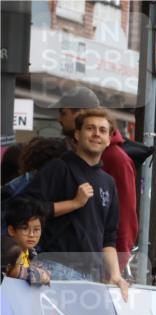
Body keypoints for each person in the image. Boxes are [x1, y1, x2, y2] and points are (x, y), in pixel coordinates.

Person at [21, 108, 129, 299]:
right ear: (77, 135)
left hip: (92, 278)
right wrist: (74, 203)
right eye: (90, 128)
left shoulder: (108, 182)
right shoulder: (58, 168)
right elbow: (26, 208)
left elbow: (109, 238)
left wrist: (115, 276)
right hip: (55, 268)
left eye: (103, 130)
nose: (97, 134)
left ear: (109, 139)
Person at [56, 86, 138, 268]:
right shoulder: (66, 161)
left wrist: (116, 267)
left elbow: (123, 217)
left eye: (63, 113)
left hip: (96, 268)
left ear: (81, 114)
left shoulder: (116, 159)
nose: (59, 119)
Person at [4, 197, 50, 285]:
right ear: (11, 230)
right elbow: (14, 272)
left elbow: (46, 276)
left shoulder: (32, 254)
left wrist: (43, 275)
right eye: (25, 228)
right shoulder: (6, 250)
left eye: (36, 230)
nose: (31, 235)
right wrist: (39, 275)